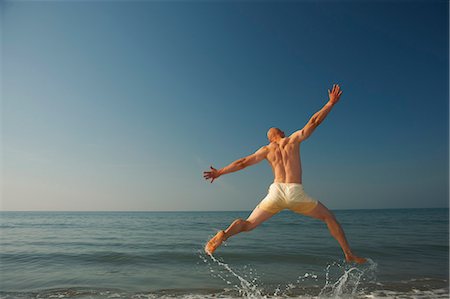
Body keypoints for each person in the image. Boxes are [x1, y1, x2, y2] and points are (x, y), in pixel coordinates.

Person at [203, 84, 367, 264]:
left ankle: (224, 234)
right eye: (282, 130)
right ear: (280, 133)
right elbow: (313, 122)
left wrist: (219, 172)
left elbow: (242, 163)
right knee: (329, 217)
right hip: (295, 192)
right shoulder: (292, 140)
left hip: (276, 193)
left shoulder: (266, 150)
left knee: (248, 224)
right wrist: (330, 104)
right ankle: (348, 254)